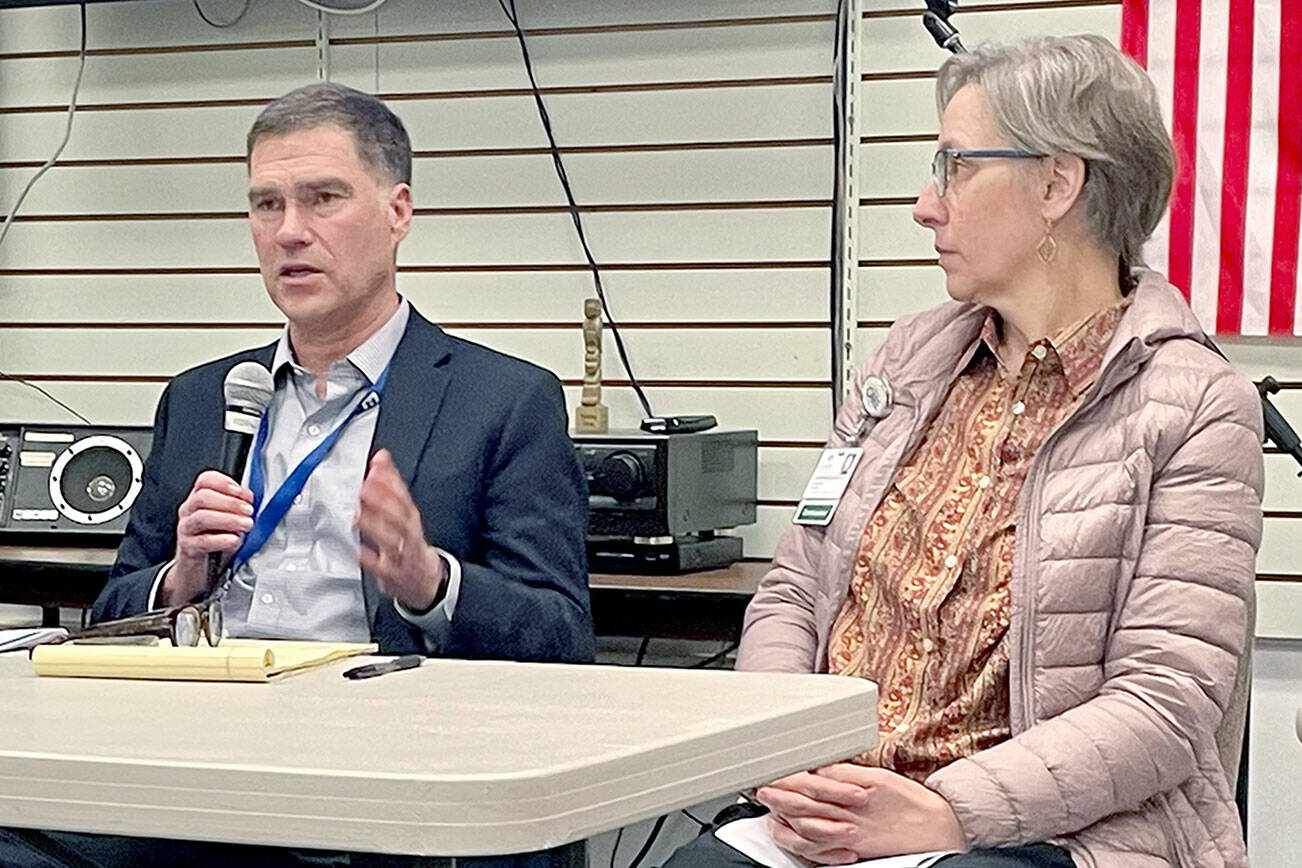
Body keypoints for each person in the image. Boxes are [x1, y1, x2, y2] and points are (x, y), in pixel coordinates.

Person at [664, 35, 1262, 868]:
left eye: (956, 165)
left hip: (1049, 833)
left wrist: (947, 811)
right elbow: (794, 594)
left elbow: (1164, 705)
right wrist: (791, 756)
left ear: (1058, 183)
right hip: (836, 813)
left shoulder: (1195, 403)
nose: (925, 204)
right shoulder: (902, 366)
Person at [0, 82, 592, 868]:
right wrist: (178, 579)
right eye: (266, 205)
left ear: (398, 212)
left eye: (323, 199)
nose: (290, 233)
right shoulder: (205, 397)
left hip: (380, 774)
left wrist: (430, 582)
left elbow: (561, 638)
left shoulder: (503, 400)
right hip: (201, 770)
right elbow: (113, 610)